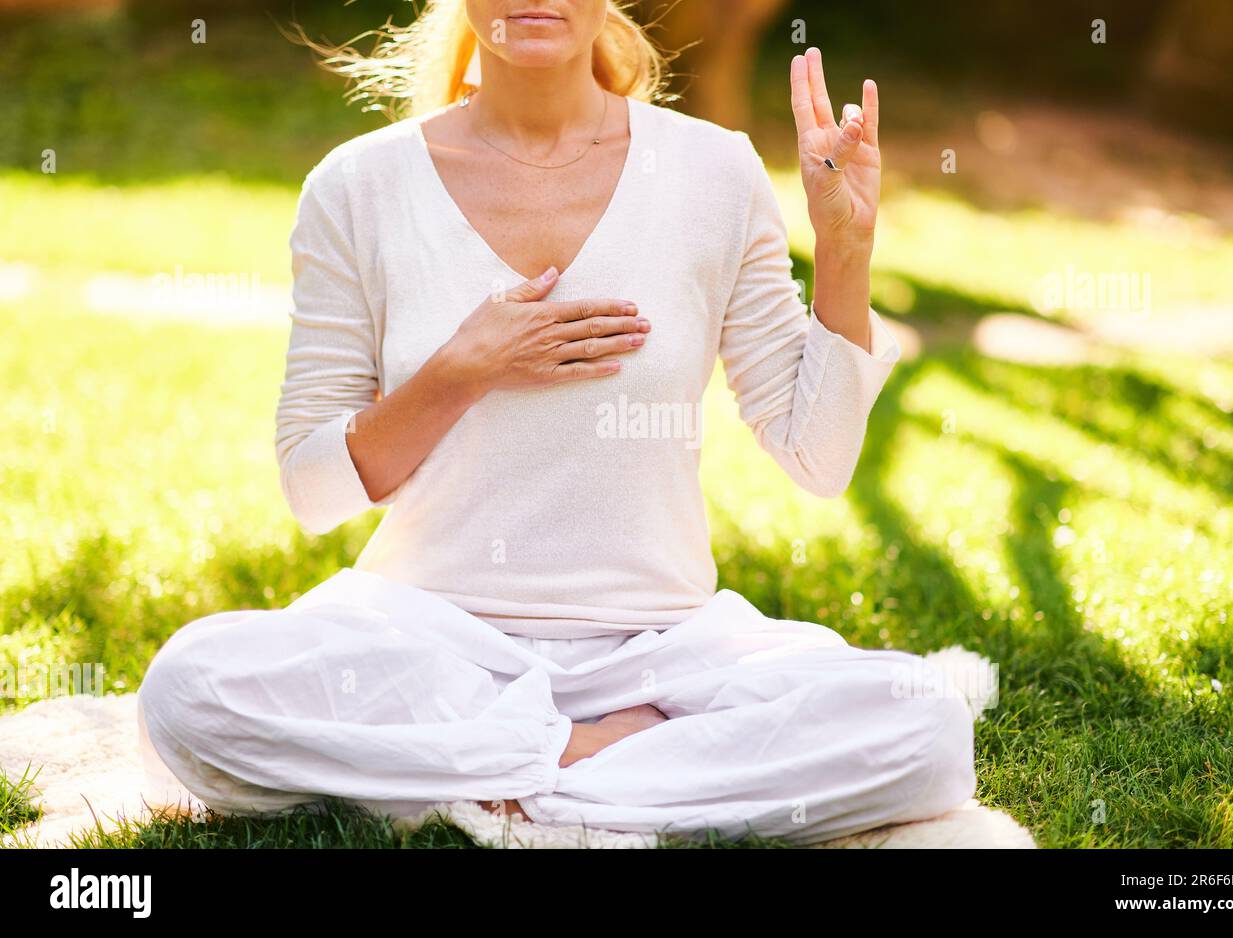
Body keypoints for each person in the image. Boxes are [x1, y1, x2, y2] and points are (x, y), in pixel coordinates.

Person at [137, 0, 976, 844]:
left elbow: (817, 457)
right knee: (189, 690)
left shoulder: (714, 172)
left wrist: (844, 247)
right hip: (427, 640)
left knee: (928, 725)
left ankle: (505, 779)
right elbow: (313, 491)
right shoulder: (358, 186)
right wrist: (464, 369)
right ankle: (609, 763)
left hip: (661, 649)